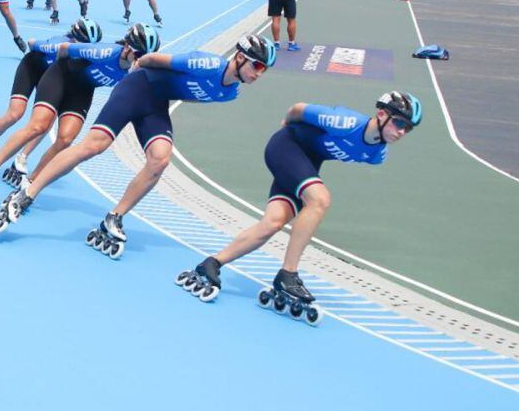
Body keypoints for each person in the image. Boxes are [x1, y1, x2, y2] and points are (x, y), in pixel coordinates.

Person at [0, 35, 277, 259]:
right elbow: (154, 59)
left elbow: (186, 94)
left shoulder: (229, 92)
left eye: (264, 70)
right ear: (240, 57)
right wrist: (134, 71)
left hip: (156, 105)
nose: (260, 74)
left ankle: (113, 217)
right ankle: (27, 193)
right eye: (258, 66)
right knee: (95, 145)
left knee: (160, 160)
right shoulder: (206, 64)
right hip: (137, 88)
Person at [175, 91, 422, 324]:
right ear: (381, 114)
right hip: (286, 147)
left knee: (273, 222)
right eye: (399, 123)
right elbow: (298, 109)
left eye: (408, 129)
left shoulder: (378, 154)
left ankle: (211, 264)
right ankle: (288, 274)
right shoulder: (345, 122)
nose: (402, 132)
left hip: (305, 164)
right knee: (320, 199)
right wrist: (286, 124)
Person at [0, 24, 157, 207]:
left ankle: (30, 183)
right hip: (61, 76)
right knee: (38, 126)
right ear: (127, 48)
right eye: (139, 55)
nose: (142, 61)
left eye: (146, 57)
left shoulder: (137, 71)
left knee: (65, 140)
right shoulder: (106, 52)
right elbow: (65, 47)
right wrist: (53, 68)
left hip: (82, 89)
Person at [0, 18, 104, 185]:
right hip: (33, 69)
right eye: (81, 44)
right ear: (72, 38)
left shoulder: (91, 54)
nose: (85, 50)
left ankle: (22, 157)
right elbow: (31, 43)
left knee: (46, 122)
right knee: (14, 114)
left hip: (54, 79)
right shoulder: (58, 45)